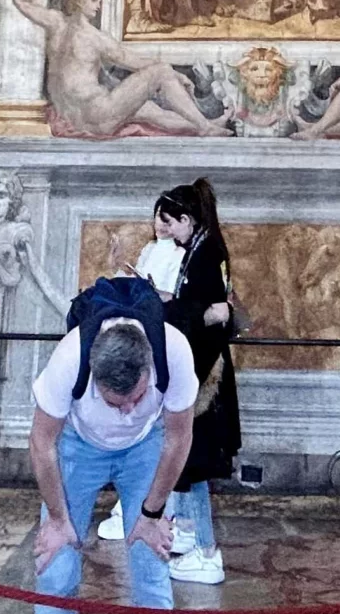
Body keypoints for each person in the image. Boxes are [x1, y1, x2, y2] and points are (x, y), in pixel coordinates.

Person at [5, 293, 198, 614]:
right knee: (55, 575)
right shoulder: (69, 360)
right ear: (94, 379)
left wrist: (151, 515)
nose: (130, 408)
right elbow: (41, 443)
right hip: (76, 445)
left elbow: (178, 438)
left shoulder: (173, 351)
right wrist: (57, 519)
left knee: (152, 578)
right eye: (119, 401)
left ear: (148, 369)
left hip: (146, 450)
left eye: (138, 396)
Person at [98, 181, 241, 584]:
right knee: (188, 466)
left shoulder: (206, 250)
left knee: (193, 467)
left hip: (204, 373)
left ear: (186, 219)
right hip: (198, 369)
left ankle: (207, 551)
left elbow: (208, 311)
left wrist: (175, 304)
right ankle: (192, 538)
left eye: (171, 222)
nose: (167, 231)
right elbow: (203, 307)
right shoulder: (201, 247)